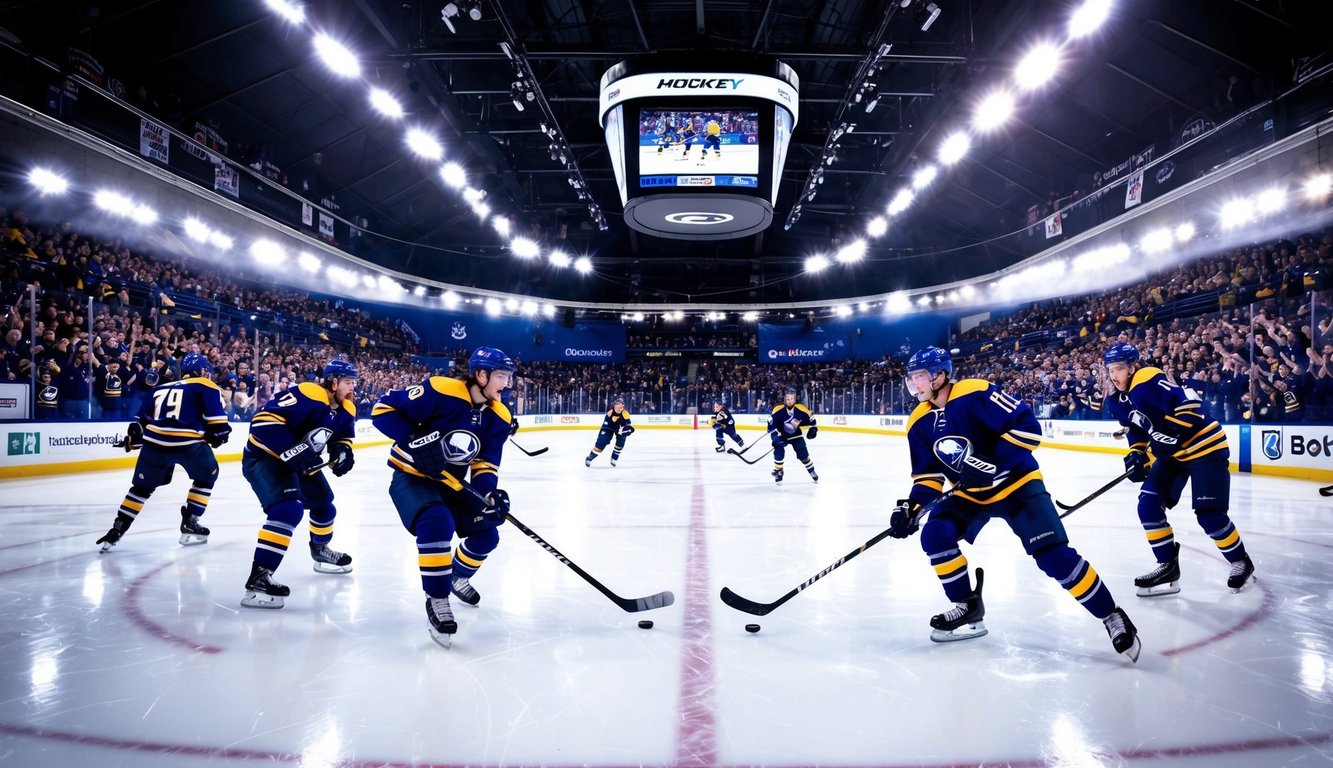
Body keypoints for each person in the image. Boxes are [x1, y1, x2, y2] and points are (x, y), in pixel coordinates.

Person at [887, 346, 1141, 663]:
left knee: (1053, 557)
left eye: (921, 376)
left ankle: (1110, 614)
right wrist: (911, 509)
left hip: (1017, 484)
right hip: (970, 495)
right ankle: (968, 605)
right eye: (912, 378)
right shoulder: (918, 422)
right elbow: (927, 476)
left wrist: (988, 462)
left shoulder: (974, 392)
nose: (916, 384)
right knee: (934, 534)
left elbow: (1027, 428)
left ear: (941, 374)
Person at [371, 346, 515, 647]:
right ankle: (437, 598)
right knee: (437, 522)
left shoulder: (499, 415)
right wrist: (414, 440)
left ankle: (455, 577)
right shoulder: (442, 390)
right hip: (411, 476)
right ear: (481, 374)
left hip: (451, 482)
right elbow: (382, 410)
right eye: (502, 376)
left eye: (508, 377)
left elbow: (485, 463)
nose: (507, 384)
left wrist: (489, 494)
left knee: (487, 536)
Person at [1102, 342, 1255, 595]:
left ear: (1133, 367)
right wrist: (1137, 453)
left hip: (1204, 447)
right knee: (1148, 505)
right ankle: (1167, 567)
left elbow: (1189, 408)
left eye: (1119, 369)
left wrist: (1166, 435)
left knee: (1210, 515)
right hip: (1173, 454)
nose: (1114, 375)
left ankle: (1241, 561)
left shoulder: (1146, 378)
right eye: (1110, 370)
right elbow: (1137, 429)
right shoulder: (1117, 400)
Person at [238, 358, 359, 609]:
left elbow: (341, 436)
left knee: (325, 506)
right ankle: (259, 576)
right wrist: (296, 451)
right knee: (287, 510)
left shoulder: (347, 407)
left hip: (298, 460)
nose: (352, 387)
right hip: (265, 458)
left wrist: (342, 451)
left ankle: (320, 549)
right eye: (348, 382)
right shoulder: (310, 393)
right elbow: (263, 422)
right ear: (333, 381)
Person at [96, 353, 230, 553]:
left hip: (154, 444)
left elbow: (139, 424)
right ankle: (191, 520)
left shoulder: (160, 387)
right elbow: (218, 425)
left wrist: (133, 439)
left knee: (141, 489)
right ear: (202, 371)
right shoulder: (205, 385)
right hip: (188, 444)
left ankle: (118, 528)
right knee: (207, 476)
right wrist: (220, 435)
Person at [768, 388, 818, 483]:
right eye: (787, 399)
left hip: (796, 435)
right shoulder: (777, 410)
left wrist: (813, 429)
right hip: (782, 435)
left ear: (795, 399)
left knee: (803, 455)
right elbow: (771, 428)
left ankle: (811, 471)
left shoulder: (801, 408)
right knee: (778, 451)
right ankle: (779, 471)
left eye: (792, 399)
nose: (790, 401)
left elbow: (812, 420)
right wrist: (776, 439)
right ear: (784, 399)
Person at [585, 397, 634, 467]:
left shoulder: (625, 414)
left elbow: (628, 425)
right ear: (615, 405)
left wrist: (626, 430)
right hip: (608, 429)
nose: (622, 406)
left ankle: (614, 458)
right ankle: (590, 457)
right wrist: (617, 430)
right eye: (619, 404)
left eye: (622, 404)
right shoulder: (609, 414)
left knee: (620, 443)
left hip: (620, 429)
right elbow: (606, 427)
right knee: (602, 442)